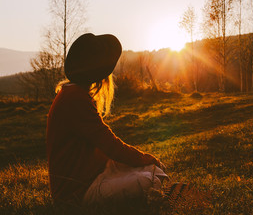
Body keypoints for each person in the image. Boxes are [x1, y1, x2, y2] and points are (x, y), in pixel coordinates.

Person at [46, 33, 166, 207]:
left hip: (93, 175)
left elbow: (107, 148)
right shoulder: (75, 99)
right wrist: (147, 158)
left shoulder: (73, 93)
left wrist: (146, 161)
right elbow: (111, 145)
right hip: (77, 192)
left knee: (153, 171)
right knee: (149, 180)